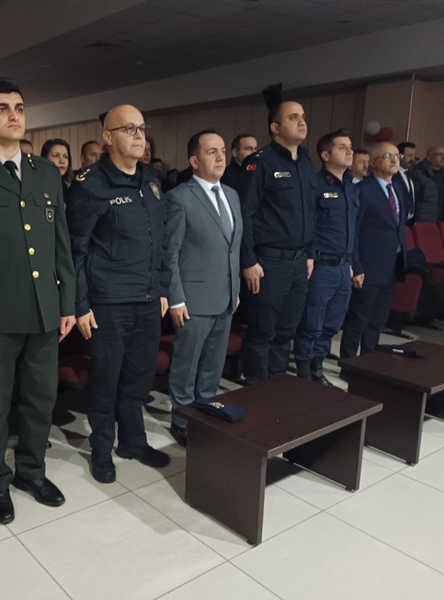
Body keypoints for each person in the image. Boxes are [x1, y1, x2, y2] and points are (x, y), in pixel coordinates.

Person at [0, 81, 76, 525]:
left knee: (41, 400)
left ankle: (31, 471)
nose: (14, 116)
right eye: (2, 109)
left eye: (19, 108)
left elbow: (61, 243)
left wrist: (67, 303)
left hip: (44, 309)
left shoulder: (45, 172)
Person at [67, 104, 170, 484]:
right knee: (106, 380)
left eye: (142, 128)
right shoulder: (90, 184)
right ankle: (101, 449)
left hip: (148, 298)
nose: (139, 135)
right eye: (129, 129)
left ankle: (133, 442)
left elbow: (160, 241)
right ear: (108, 137)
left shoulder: (151, 179)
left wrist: (162, 288)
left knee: (139, 378)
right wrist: (80, 304)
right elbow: (75, 250)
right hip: (109, 301)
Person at [164, 129, 241, 446]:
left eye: (222, 150)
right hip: (193, 298)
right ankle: (182, 419)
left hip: (225, 295)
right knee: (187, 364)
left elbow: (232, 248)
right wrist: (175, 298)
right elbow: (170, 254)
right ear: (194, 161)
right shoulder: (179, 197)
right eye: (212, 152)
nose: (220, 157)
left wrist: (235, 288)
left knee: (213, 364)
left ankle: (206, 411)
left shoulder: (232, 195)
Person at [237, 85, 315, 385]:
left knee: (286, 332)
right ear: (275, 127)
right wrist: (248, 260)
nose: (301, 122)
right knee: (263, 332)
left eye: (303, 116)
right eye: (293, 117)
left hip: (299, 262)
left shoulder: (305, 162)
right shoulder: (261, 162)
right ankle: (258, 392)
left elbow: (311, 212)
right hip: (269, 262)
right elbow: (246, 214)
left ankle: (277, 389)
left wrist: (310, 254)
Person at [294, 130, 359, 385]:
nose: (350, 151)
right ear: (325, 155)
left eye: (350, 146)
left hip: (344, 266)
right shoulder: (315, 185)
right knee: (312, 323)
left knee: (332, 324)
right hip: (321, 266)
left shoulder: (352, 187)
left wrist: (353, 263)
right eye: (342, 147)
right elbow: (308, 226)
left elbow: (353, 230)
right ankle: (303, 372)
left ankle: (317, 368)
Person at [340, 142, 407, 358]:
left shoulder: (397, 189)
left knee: (377, 320)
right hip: (368, 266)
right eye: (388, 156)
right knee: (359, 319)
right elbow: (354, 232)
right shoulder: (363, 190)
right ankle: (349, 364)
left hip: (392, 265)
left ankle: (369, 362)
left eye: (397, 156)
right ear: (373, 163)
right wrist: (356, 265)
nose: (394, 160)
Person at [410, 145, 444, 222]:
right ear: (428, 157)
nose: (443, 157)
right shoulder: (418, 174)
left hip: (442, 219)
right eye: (438, 155)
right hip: (423, 220)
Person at [397, 141, 417, 221]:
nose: (412, 159)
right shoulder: (392, 176)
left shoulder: (412, 174)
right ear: (399, 156)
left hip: (410, 220)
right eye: (409, 155)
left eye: (413, 156)